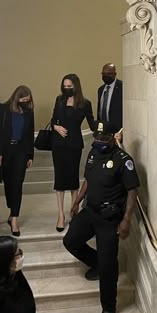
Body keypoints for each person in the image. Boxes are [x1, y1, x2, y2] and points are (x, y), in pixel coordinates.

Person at [63, 121, 140, 313]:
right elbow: (88, 179)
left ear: (113, 136)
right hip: (91, 211)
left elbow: (132, 191)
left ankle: (108, 308)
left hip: (110, 217)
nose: (98, 141)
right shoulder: (93, 152)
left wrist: (126, 220)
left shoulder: (123, 160)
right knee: (70, 241)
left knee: (109, 267)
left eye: (103, 138)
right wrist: (76, 202)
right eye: (97, 137)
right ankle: (95, 262)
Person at [51, 73, 95, 232]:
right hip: (58, 145)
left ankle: (73, 211)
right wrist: (56, 127)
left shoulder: (85, 103)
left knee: (72, 178)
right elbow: (53, 119)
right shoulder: (59, 100)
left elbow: (93, 124)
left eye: (69, 86)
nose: (66, 89)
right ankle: (60, 215)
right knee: (60, 179)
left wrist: (108, 131)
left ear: (76, 86)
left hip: (74, 145)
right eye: (64, 86)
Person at [0, 86, 34, 236]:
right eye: (23, 100)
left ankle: (14, 219)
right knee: (9, 183)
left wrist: (30, 156)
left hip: (21, 152)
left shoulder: (29, 112)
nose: (25, 102)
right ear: (16, 98)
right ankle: (12, 211)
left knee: (17, 183)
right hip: (6, 151)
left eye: (28, 100)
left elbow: (30, 134)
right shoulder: (3, 109)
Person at [97, 63, 122, 135]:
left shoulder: (122, 87)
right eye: (103, 74)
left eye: (109, 74)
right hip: (103, 130)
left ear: (115, 74)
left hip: (117, 131)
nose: (106, 76)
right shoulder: (100, 89)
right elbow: (100, 111)